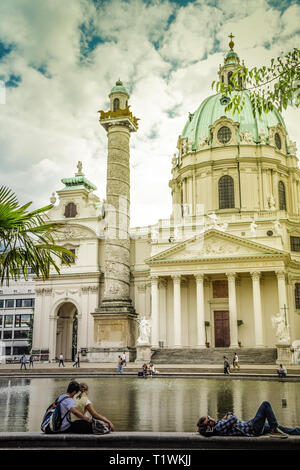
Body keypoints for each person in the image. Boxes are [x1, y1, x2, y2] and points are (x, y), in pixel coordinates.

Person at [197, 401, 300, 439]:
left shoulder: (219, 423)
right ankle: (274, 429)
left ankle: (294, 431)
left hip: (252, 425)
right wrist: (229, 418)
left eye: (209, 416)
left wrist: (228, 417)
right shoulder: (218, 426)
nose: (211, 418)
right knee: (265, 404)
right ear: (209, 425)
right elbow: (234, 418)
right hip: (253, 428)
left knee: (284, 429)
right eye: (209, 419)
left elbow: (230, 414)